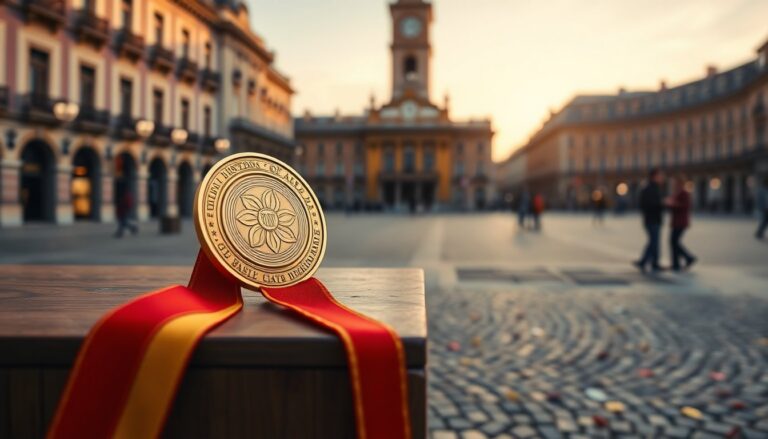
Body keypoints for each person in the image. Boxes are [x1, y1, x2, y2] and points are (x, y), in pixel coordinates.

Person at [634, 169, 664, 272]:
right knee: (654, 242)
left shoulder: (650, 188)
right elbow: (649, 204)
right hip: (652, 218)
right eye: (660, 176)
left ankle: (650, 262)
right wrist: (662, 204)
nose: (662, 178)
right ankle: (647, 262)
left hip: (651, 218)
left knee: (653, 241)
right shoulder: (651, 189)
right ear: (654, 176)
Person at [666, 176, 697, 270]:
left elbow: (685, 206)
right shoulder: (677, 193)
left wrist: (673, 204)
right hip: (676, 221)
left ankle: (688, 258)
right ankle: (676, 263)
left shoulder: (684, 193)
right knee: (673, 242)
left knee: (674, 241)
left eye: (675, 183)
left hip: (681, 221)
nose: (673, 185)